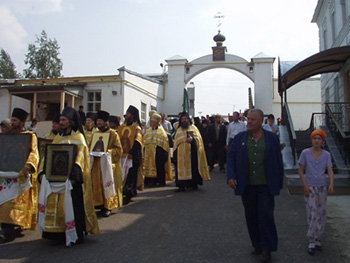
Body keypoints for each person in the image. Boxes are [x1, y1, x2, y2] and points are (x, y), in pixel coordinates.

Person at [227, 108, 284, 263]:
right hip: (247, 185)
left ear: (260, 121)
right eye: (248, 119)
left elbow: (278, 160)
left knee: (266, 215)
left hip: (266, 185)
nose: (249, 122)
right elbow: (231, 158)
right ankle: (257, 244)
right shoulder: (240, 138)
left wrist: (279, 181)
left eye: (252, 119)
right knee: (251, 216)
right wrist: (231, 176)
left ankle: (268, 248)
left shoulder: (271, 138)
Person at [38, 107, 99, 246]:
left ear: (71, 122)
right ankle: (56, 234)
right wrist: (42, 173)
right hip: (56, 179)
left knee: (73, 206)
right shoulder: (58, 137)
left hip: (72, 181)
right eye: (60, 120)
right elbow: (49, 156)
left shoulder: (78, 138)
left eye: (64, 120)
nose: (61, 122)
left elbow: (80, 158)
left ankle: (75, 234)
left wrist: (73, 177)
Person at [0, 108, 39, 242]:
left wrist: (28, 166)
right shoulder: (8, 135)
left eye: (15, 120)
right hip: (7, 172)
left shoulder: (30, 135)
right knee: (5, 200)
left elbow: (34, 153)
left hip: (21, 173)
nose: (12, 122)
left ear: (22, 122)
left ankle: (12, 227)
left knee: (16, 201)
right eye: (12, 120)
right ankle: (6, 226)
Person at [298, 129, 334, 255]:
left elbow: (329, 169)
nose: (316, 141)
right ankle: (311, 238)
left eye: (319, 138)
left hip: (322, 186)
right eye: (314, 138)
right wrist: (305, 185)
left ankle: (318, 237)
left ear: (322, 141)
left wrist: (331, 183)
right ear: (311, 140)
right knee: (312, 212)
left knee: (321, 212)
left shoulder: (327, 155)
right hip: (310, 186)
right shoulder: (305, 153)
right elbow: (301, 170)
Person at [90, 110, 123, 217]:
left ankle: (108, 206)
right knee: (97, 184)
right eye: (97, 121)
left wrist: (107, 153)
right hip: (96, 164)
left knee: (107, 184)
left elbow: (118, 150)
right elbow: (91, 146)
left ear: (106, 122)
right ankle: (99, 204)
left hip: (108, 165)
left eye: (100, 121)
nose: (98, 123)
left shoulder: (113, 134)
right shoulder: (95, 134)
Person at [173, 111, 210, 191]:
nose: (184, 120)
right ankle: (181, 185)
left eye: (185, 118)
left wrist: (192, 140)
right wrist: (175, 155)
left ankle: (193, 184)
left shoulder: (194, 128)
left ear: (188, 119)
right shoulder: (179, 130)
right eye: (182, 119)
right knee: (181, 169)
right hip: (181, 155)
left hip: (192, 153)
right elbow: (176, 143)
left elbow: (199, 140)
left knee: (193, 168)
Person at [119, 105, 143, 204]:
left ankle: (129, 193)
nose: (126, 115)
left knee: (130, 176)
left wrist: (131, 153)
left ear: (132, 116)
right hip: (122, 155)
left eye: (128, 114)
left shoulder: (137, 128)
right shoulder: (122, 127)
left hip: (132, 156)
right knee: (123, 175)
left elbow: (138, 142)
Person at [144, 113, 173, 187]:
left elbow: (164, 145)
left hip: (158, 153)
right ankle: (149, 181)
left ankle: (159, 181)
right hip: (148, 153)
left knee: (159, 166)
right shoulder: (148, 130)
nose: (150, 123)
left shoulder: (162, 132)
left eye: (152, 122)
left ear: (156, 123)